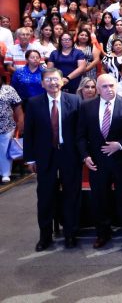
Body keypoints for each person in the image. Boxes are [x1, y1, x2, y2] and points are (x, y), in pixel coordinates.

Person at [78, 74, 122, 249]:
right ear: (98, 89)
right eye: (105, 87)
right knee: (100, 199)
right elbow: (81, 135)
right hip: (97, 162)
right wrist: (85, 156)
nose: (109, 89)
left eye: (111, 85)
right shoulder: (86, 106)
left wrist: (121, 145)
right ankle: (102, 234)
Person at [23, 68, 76, 249]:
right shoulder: (33, 103)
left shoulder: (75, 100)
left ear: (62, 81)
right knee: (45, 197)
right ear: (42, 83)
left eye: (56, 79)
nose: (53, 83)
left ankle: (70, 234)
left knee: (71, 196)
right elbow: (29, 133)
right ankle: (45, 236)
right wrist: (30, 158)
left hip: (69, 155)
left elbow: (80, 131)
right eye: (48, 80)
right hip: (45, 156)